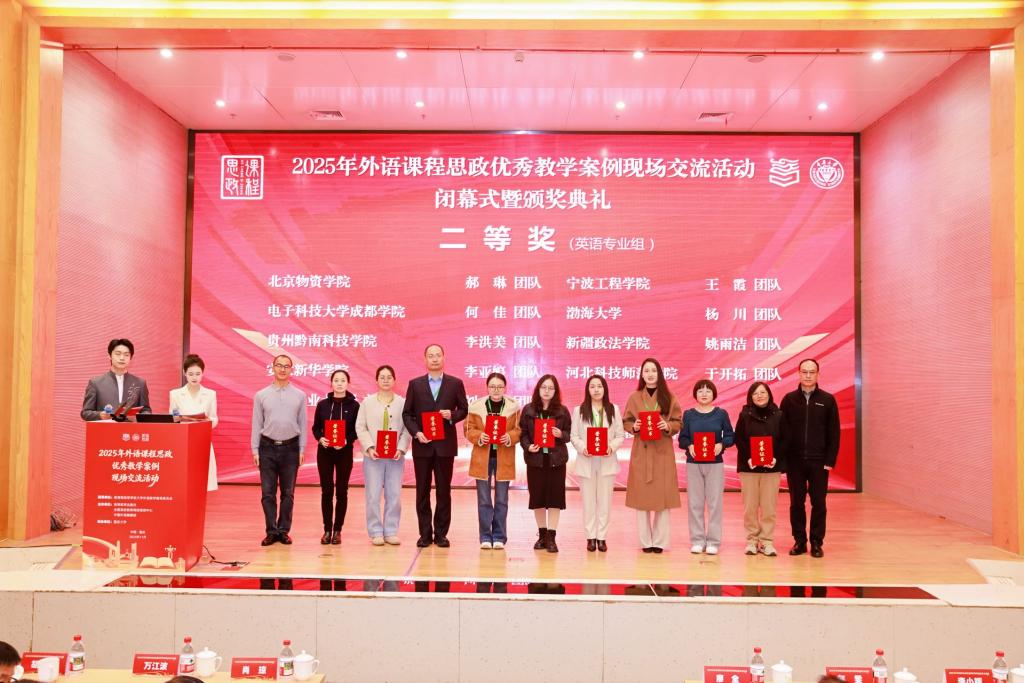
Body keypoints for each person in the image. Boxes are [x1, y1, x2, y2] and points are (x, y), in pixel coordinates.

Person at [402, 344, 468, 548]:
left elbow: (464, 409)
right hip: (423, 446)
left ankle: (441, 534)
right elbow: (407, 414)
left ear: (443, 358)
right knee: (422, 491)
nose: (434, 359)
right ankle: (424, 534)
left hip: (445, 446)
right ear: (425, 359)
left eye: (438, 355)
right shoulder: (415, 384)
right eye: (430, 355)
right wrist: (416, 433)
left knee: (443, 491)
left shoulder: (455, 383)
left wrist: (452, 415)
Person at [780, 358, 841, 558]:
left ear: (818, 374)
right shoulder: (789, 400)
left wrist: (830, 460)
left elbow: (834, 432)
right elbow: (782, 432)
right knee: (796, 503)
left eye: (811, 372)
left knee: (819, 503)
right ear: (798, 373)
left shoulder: (828, 400)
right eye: (804, 372)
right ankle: (799, 541)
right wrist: (783, 461)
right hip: (795, 462)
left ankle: (816, 542)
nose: (807, 375)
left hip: (819, 461)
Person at [624, 358, 682, 553]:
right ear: (641, 374)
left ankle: (659, 541)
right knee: (642, 499)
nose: (650, 374)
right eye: (646, 371)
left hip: (662, 452)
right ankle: (645, 541)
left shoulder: (669, 397)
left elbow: (678, 421)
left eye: (653, 371)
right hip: (642, 451)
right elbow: (626, 421)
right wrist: (634, 426)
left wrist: (668, 425)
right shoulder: (634, 397)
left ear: (659, 374)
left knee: (662, 500)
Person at [251, 354, 307, 547]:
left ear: (291, 370)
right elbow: (257, 424)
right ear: (273, 367)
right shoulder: (261, 395)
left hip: (291, 448)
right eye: (279, 365)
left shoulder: (299, 395)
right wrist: (255, 450)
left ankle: (283, 531)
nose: (282, 369)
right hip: (266, 448)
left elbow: (303, 424)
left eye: (286, 366)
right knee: (267, 493)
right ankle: (271, 531)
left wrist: (301, 449)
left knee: (288, 493)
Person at [355, 364, 411, 546]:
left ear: (394, 380)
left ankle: (391, 531)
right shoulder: (367, 402)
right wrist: (369, 447)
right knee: (373, 495)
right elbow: (360, 427)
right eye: (382, 377)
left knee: (394, 495)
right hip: (374, 457)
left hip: (395, 457)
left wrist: (401, 448)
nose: (385, 380)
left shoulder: (402, 403)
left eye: (389, 377)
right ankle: (376, 531)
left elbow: (407, 429)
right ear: (376, 380)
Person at [464, 372, 521, 549]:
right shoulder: (476, 407)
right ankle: (485, 537)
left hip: (504, 458)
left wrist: (510, 437)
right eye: (492, 387)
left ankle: (499, 537)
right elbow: (468, 429)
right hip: (482, 458)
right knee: (484, 499)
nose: (496, 390)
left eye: (499, 387)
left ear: (505, 388)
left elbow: (519, 430)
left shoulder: (513, 408)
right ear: (487, 388)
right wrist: (479, 436)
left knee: (502, 499)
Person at [678, 379, 734, 555]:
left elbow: (730, 436)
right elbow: (682, 438)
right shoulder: (689, 415)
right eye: (700, 390)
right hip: (694, 463)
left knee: (715, 503)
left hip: (715, 463)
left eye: (708, 391)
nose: (704, 394)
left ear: (713, 394)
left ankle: (713, 542)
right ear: (695, 394)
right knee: (695, 503)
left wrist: (721, 444)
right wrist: (689, 446)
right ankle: (697, 540)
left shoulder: (721, 414)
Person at [570, 374, 625, 552]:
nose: (596, 389)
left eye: (599, 386)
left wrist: (611, 447)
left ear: (605, 389)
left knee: (605, 502)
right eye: (592, 386)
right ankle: (590, 537)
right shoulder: (579, 410)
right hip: (587, 460)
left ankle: (601, 537)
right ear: (588, 390)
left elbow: (620, 435)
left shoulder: (613, 409)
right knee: (588, 502)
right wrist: (582, 448)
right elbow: (574, 436)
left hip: (606, 460)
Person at [519, 374, 572, 553]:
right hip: (536, 461)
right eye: (544, 387)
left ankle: (552, 537)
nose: (547, 391)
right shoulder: (528, 410)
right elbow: (523, 434)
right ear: (538, 389)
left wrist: (560, 435)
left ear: (555, 391)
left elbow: (569, 434)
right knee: (538, 499)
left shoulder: (562, 411)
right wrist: (528, 446)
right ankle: (542, 535)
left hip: (556, 461)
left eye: (550, 388)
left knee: (555, 499)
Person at [734, 381, 787, 556]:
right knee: (750, 507)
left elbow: (785, 439)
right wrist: (749, 458)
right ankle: (751, 540)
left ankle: (766, 541)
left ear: (769, 394)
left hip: (771, 468)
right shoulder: (744, 415)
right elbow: (739, 439)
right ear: (751, 397)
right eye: (755, 393)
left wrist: (775, 458)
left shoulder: (779, 415)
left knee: (769, 508)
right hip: (749, 467)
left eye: (763, 392)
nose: (759, 396)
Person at [311, 368, 360, 545]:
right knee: (326, 491)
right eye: (336, 380)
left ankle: (338, 530)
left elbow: (357, 430)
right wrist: (320, 438)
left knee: (341, 491)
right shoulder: (323, 405)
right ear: (331, 383)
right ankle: (327, 530)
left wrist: (346, 440)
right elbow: (316, 428)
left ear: (348, 383)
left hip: (344, 452)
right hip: (325, 452)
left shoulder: (355, 406)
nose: (339, 383)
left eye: (343, 380)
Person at [169, 353, 219, 491]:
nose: (194, 377)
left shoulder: (210, 394)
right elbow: (172, 416)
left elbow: (214, 418)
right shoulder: (175, 394)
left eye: (198, 374)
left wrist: (208, 421)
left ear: (202, 373)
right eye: (191, 374)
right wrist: (177, 419)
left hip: (202, 438)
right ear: (184, 373)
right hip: (183, 439)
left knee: (202, 479)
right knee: (183, 479)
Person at [81, 338, 152, 420]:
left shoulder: (140, 383)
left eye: (126, 355)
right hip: (105, 428)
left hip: (130, 428)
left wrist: (136, 417)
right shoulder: (95, 383)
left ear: (131, 358)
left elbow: (146, 410)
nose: (122, 358)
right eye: (118, 354)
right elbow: (85, 413)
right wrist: (100, 415)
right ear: (110, 356)